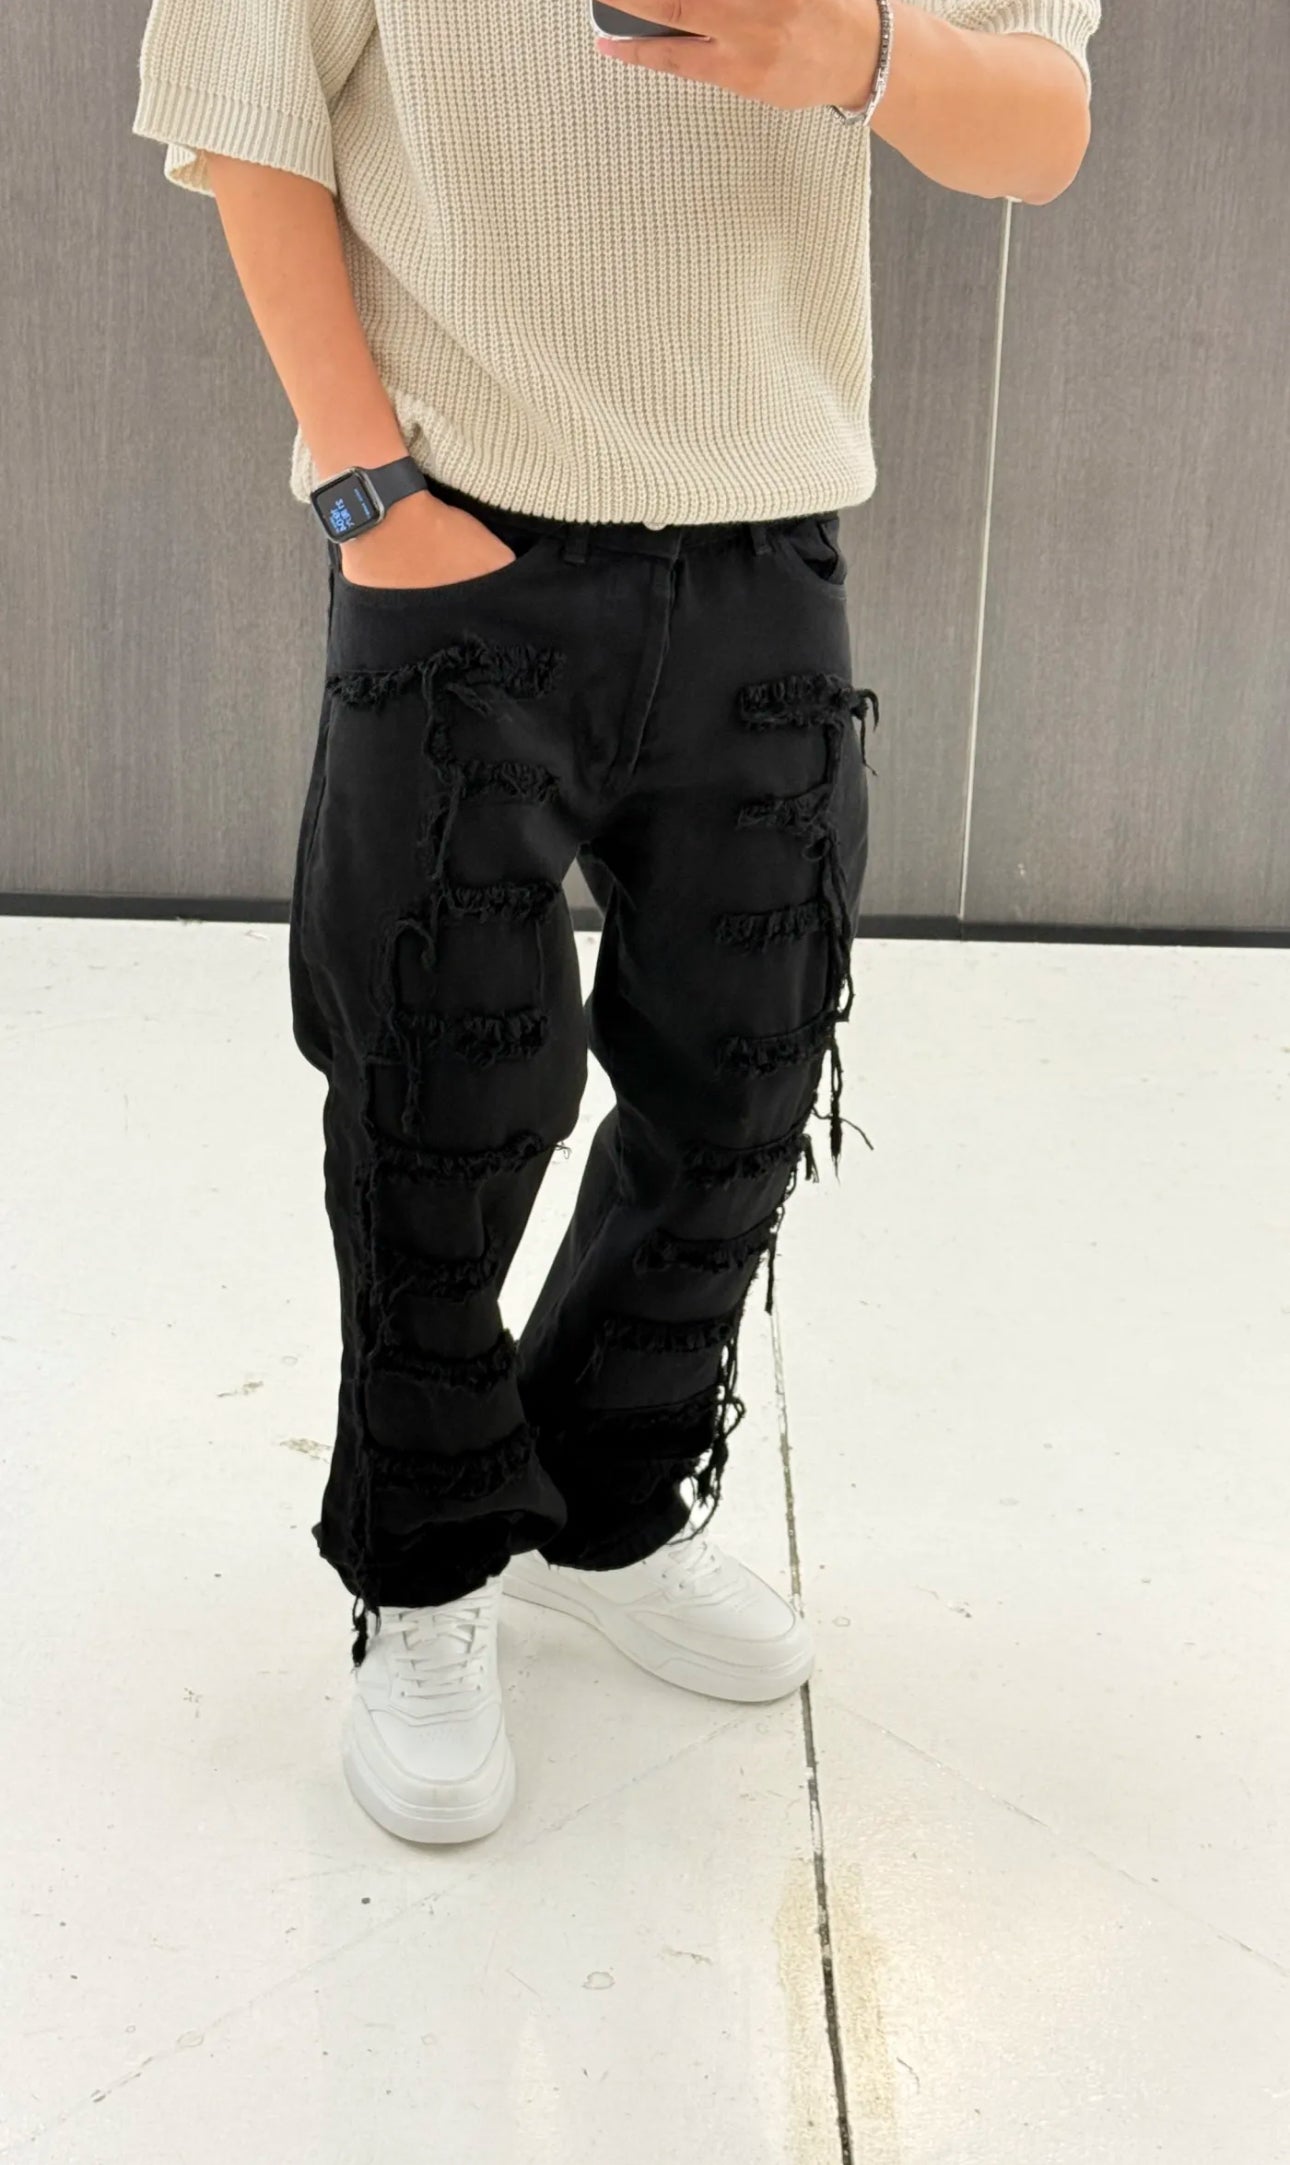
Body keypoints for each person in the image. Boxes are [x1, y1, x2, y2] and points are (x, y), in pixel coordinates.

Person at [131, 0, 1099, 1844]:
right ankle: (424, 1561)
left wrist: (853, 51)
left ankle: (605, 1493)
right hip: (454, 528)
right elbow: (243, 107)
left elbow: (1041, 128)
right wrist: (365, 482)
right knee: (437, 1090)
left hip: (766, 535)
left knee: (746, 1072)